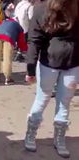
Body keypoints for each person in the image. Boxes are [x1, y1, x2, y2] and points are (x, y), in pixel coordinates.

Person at [24, 0, 79, 158]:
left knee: (65, 102)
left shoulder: (76, 7)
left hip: (73, 64)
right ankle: (30, 134)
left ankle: (59, 139)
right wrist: (30, 67)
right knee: (42, 99)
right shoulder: (42, 9)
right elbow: (34, 40)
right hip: (49, 63)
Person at [0, 4, 27, 85]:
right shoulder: (18, 26)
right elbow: (21, 41)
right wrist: (24, 49)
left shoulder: (2, 22)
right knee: (7, 57)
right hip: (9, 39)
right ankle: (7, 78)